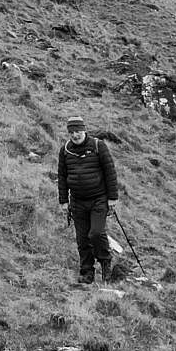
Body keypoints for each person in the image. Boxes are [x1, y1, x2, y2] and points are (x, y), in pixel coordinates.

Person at [57, 116, 119, 283]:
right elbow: (62, 176)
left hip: (99, 198)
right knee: (82, 239)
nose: (75, 135)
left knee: (96, 233)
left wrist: (112, 198)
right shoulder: (65, 150)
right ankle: (87, 273)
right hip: (77, 201)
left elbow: (110, 172)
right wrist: (64, 201)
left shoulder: (98, 146)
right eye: (71, 132)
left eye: (77, 131)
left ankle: (105, 262)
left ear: (84, 130)